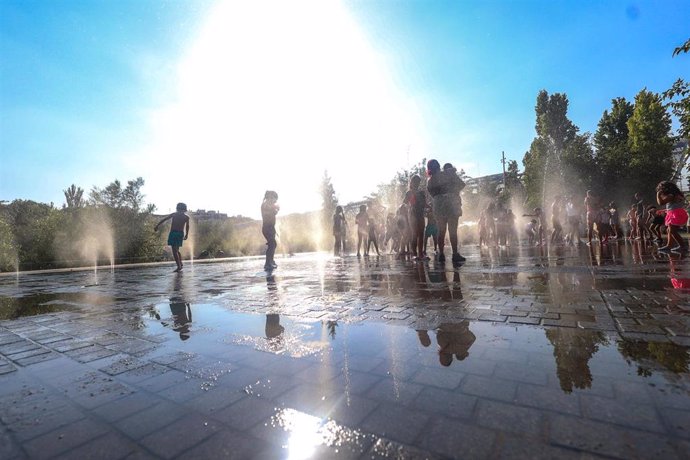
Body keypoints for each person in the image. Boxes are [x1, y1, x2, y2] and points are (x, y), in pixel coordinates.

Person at [427, 160, 466, 265]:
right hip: (451, 203)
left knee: (441, 230)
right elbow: (462, 184)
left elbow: (432, 193)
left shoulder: (430, 181)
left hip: (438, 205)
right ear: (438, 166)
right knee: (452, 230)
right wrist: (453, 189)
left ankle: (441, 254)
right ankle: (455, 254)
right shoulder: (448, 174)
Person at [155, 202, 190, 272]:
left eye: (181, 209)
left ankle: (179, 266)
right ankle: (180, 264)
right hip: (178, 233)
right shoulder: (183, 216)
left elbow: (187, 226)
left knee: (174, 251)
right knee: (176, 250)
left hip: (176, 233)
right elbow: (165, 219)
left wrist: (157, 225)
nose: (180, 211)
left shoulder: (180, 216)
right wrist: (157, 225)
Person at [656, 181, 688, 253]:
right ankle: (669, 245)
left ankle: (682, 246)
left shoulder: (671, 195)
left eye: (661, 189)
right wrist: (664, 210)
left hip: (675, 214)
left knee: (672, 230)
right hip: (675, 212)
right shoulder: (675, 194)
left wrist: (658, 195)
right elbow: (673, 206)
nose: (660, 190)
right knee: (669, 230)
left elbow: (661, 203)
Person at [406, 175, 427, 260]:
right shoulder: (409, 193)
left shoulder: (421, 193)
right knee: (415, 234)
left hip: (420, 214)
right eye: (415, 182)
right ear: (412, 182)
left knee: (421, 234)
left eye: (418, 182)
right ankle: (414, 254)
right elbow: (405, 202)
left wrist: (430, 208)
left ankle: (421, 253)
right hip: (412, 214)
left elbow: (424, 204)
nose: (417, 183)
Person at [261, 191, 279, 271]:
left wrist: (275, 209)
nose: (274, 201)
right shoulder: (265, 204)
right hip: (267, 228)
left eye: (275, 200)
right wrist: (275, 210)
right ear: (269, 197)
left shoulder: (270, 205)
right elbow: (268, 213)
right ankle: (268, 263)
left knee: (273, 244)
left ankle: (271, 261)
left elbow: (273, 212)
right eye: (273, 198)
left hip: (271, 228)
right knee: (272, 244)